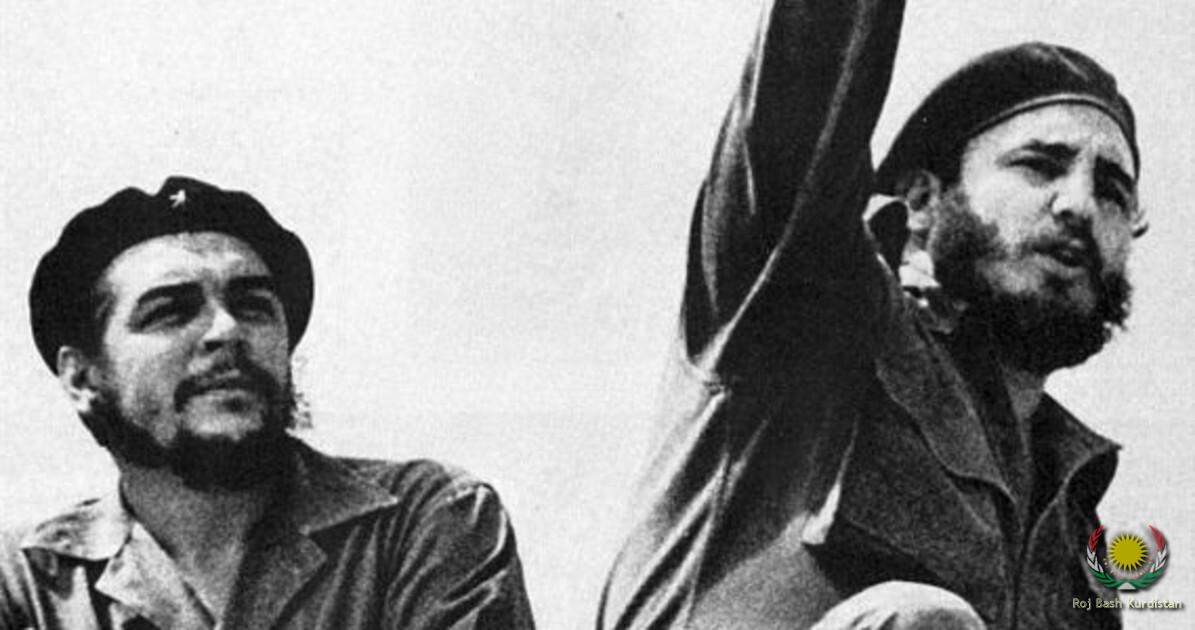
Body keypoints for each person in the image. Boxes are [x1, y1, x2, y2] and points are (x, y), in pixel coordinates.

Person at [599, 0, 1143, 628]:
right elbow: (806, 79)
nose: (1079, 204)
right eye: (1039, 165)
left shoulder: (1078, 532)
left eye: (1112, 190)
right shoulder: (806, 301)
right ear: (922, 200)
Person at [0, 177, 536, 629]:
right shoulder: (26, 581)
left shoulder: (421, 522)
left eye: (253, 305)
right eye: (170, 311)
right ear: (83, 379)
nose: (227, 330)